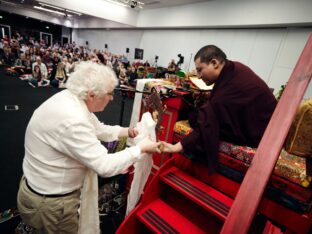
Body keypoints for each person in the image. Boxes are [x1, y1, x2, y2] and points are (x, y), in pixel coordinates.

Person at [17, 61, 161, 233]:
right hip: (51, 204)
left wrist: (128, 132)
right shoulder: (73, 119)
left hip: (40, 190)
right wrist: (140, 149)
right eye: (109, 93)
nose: (112, 98)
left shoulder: (72, 98)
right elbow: (104, 166)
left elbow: (98, 129)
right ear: (92, 95)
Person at [161, 45, 277, 173]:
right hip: (264, 125)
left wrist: (175, 148)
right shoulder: (233, 67)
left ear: (214, 63)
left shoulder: (227, 90)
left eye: (200, 70)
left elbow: (217, 107)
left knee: (200, 121)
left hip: (259, 133)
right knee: (198, 115)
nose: (198, 76)